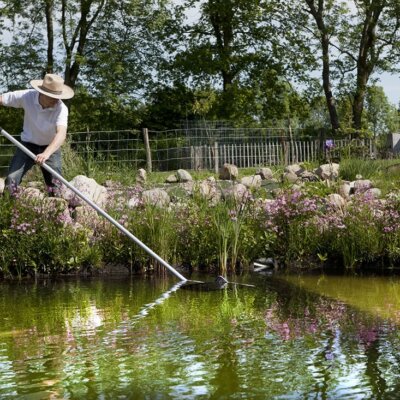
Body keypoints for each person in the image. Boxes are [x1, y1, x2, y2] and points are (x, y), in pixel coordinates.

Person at [0, 73, 74, 195]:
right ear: (43, 93)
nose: (57, 100)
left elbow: (61, 134)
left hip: (50, 148)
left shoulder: (61, 108)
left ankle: (57, 212)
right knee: (11, 180)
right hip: (27, 145)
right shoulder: (26, 96)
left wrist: (46, 153)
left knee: (56, 186)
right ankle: (9, 210)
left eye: (58, 97)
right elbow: (2, 99)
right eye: (53, 97)